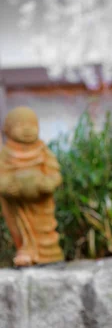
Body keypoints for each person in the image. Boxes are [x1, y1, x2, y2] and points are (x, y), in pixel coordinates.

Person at [0, 107, 64, 266]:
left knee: (46, 229)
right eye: (21, 125)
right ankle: (26, 250)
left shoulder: (43, 151)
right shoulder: (5, 154)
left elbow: (54, 173)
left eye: (32, 125)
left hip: (42, 203)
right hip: (19, 205)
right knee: (22, 227)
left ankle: (50, 252)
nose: (28, 129)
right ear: (7, 129)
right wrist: (9, 187)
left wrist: (48, 183)